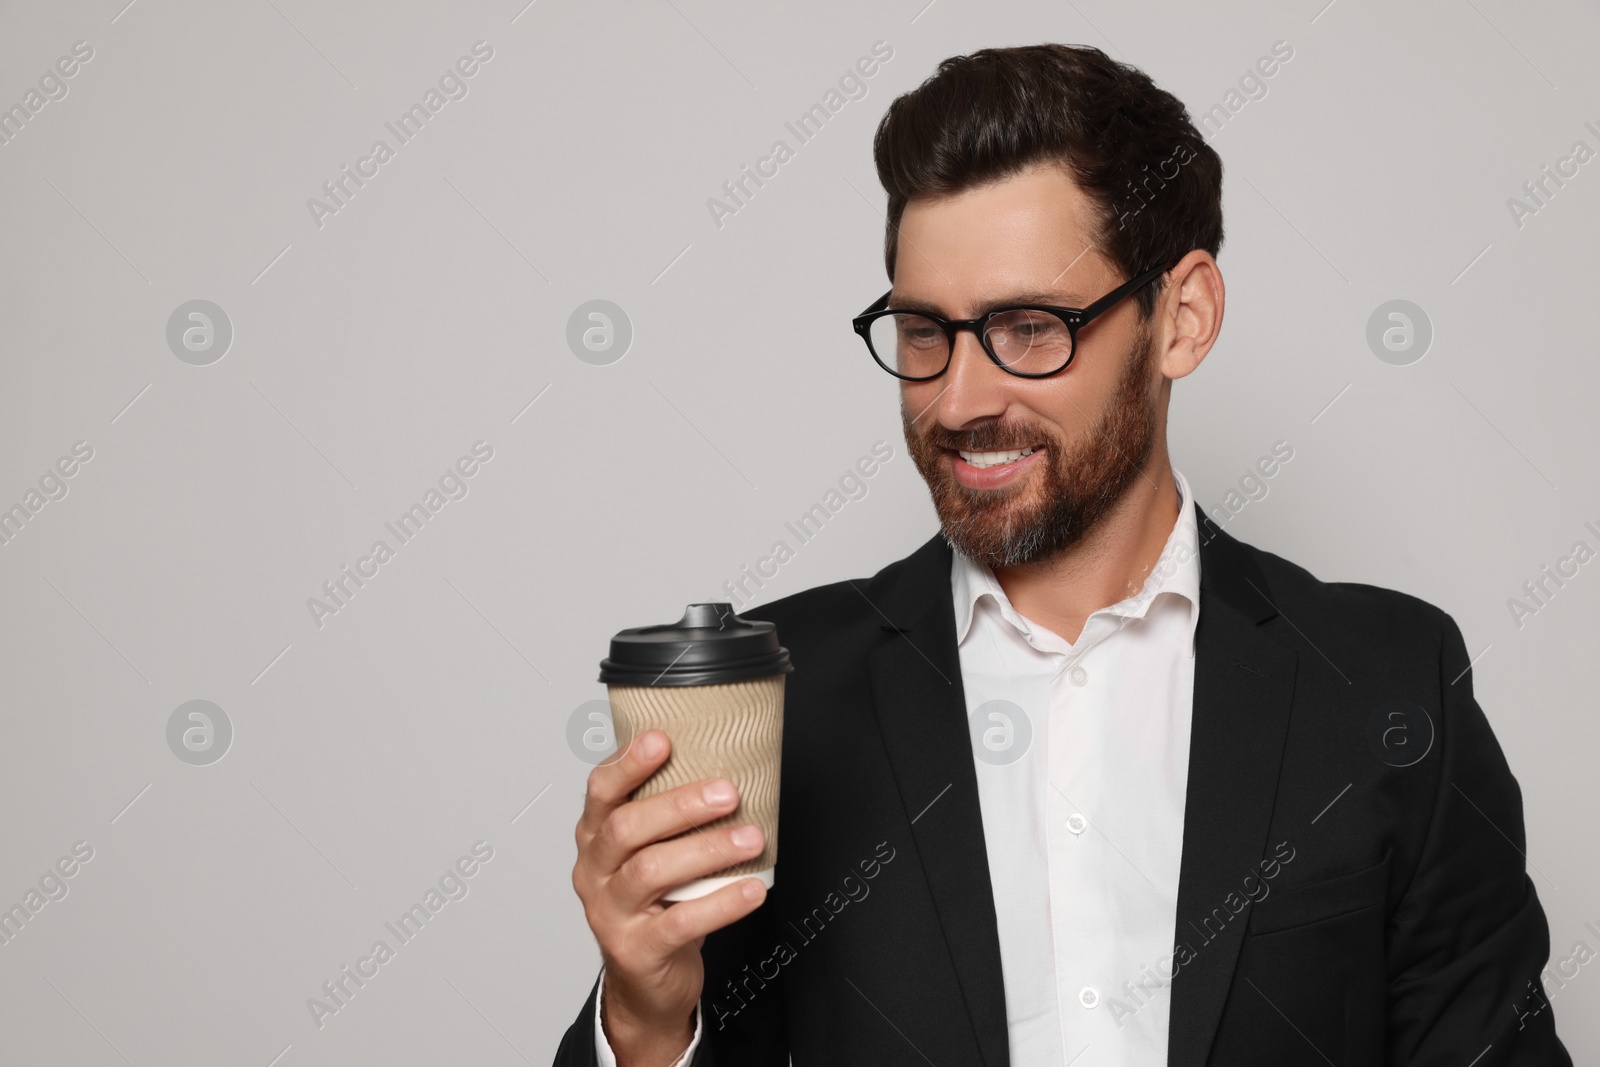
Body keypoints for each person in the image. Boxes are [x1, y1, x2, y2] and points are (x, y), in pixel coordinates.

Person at [555, 43, 1571, 1066]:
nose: (956, 400)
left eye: (1028, 328)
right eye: (922, 332)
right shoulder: (787, 692)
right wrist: (643, 1020)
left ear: (1181, 319)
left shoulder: (1389, 680)